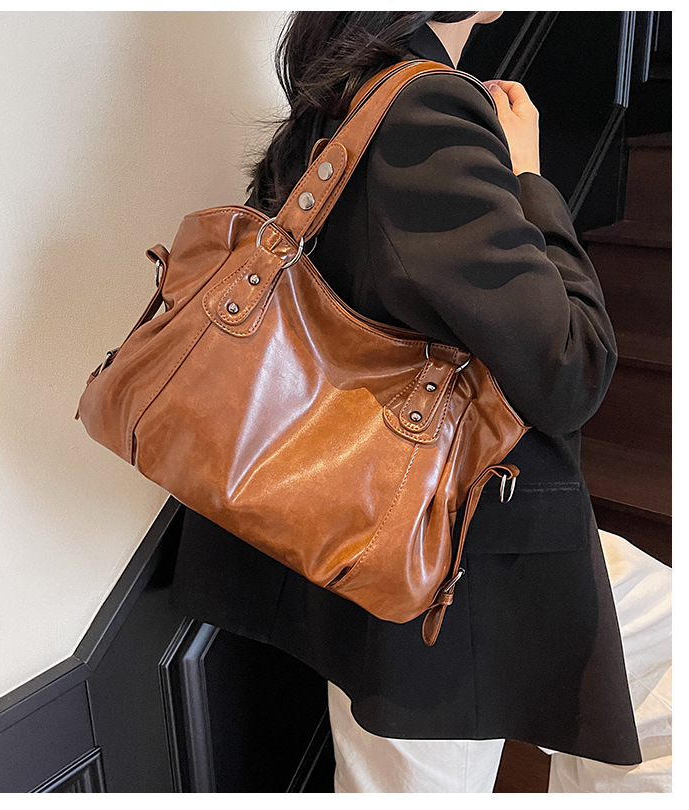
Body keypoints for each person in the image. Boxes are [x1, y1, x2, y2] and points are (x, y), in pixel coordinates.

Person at [168, 11, 644, 790]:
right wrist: (530, 180)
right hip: (438, 578)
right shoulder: (430, 110)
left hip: (378, 528)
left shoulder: (341, 93)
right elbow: (572, 368)